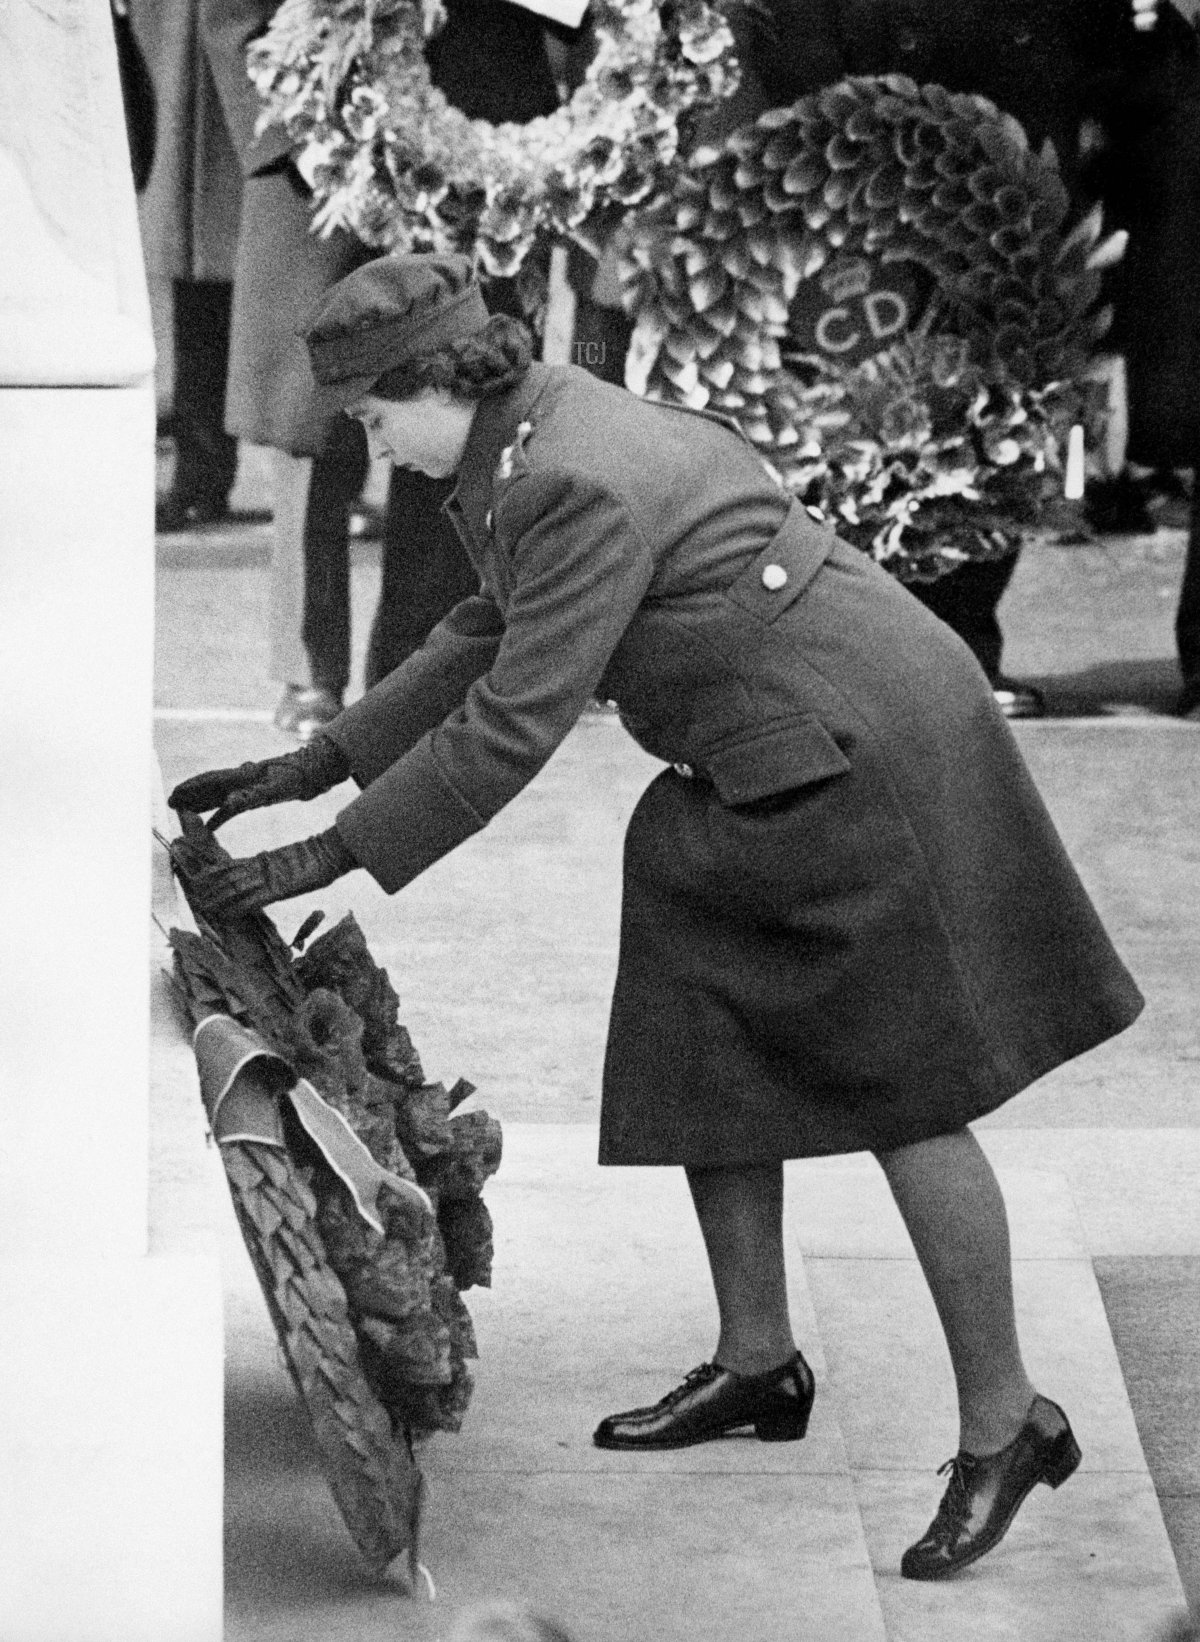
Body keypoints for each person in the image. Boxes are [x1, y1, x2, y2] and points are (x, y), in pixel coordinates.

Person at [169, 253, 1144, 1581]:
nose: (365, 437)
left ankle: (1006, 1424)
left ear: (435, 382)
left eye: (371, 412)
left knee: (907, 1084)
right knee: (698, 1013)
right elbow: (483, 626)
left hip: (864, 752)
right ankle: (758, 1360)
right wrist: (315, 761)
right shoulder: (526, 435)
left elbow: (512, 724)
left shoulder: (569, 473)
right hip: (759, 754)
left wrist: (319, 857)